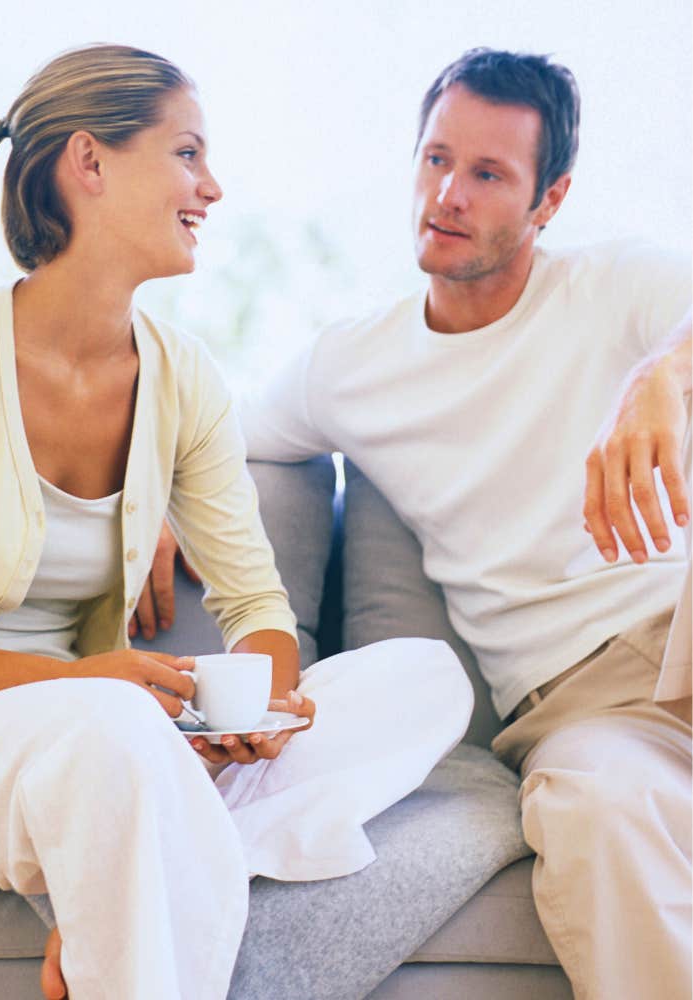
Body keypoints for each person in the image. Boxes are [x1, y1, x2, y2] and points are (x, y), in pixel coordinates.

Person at [0, 44, 472, 1000]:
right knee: (113, 727)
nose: (212, 187)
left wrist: (259, 713)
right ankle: (147, 858)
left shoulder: (182, 378)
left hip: (107, 748)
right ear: (88, 164)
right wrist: (80, 683)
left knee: (423, 680)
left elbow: (257, 601)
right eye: (187, 154)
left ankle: (139, 865)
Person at [145, 48, 692, 1000]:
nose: (449, 193)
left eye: (488, 174)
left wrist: (663, 380)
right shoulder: (351, 366)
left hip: (679, 627)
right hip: (583, 708)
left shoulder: (618, 288)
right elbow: (215, 440)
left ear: (549, 200)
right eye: (436, 160)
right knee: (597, 811)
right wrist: (151, 495)